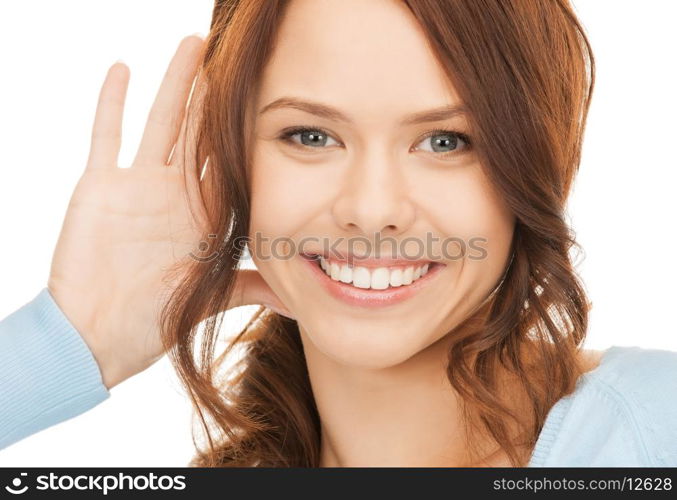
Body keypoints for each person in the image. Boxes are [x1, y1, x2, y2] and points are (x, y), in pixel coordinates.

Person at [1, 0, 676, 467]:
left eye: (445, 140)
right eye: (310, 135)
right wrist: (66, 340)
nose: (371, 208)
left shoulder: (652, 430)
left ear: (538, 165)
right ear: (233, 157)